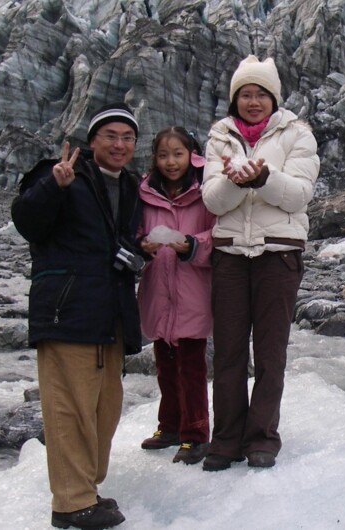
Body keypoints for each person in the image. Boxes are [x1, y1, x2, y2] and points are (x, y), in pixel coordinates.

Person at [11, 103, 143, 529]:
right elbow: (27, 221)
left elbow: (121, 243)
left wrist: (138, 255)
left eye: (127, 137)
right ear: (93, 140)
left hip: (110, 312)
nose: (119, 144)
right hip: (67, 310)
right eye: (111, 136)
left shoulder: (131, 186)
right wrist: (54, 185)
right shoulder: (61, 173)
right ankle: (70, 503)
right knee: (69, 408)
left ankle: (86, 488)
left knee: (104, 409)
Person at [200, 55, 320, 471]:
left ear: (273, 98)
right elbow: (212, 200)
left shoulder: (297, 134)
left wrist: (262, 178)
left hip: (279, 254)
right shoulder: (220, 136)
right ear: (235, 100)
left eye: (261, 94)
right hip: (230, 254)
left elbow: (300, 195)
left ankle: (262, 437)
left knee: (270, 352)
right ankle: (226, 439)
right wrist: (238, 183)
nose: (253, 101)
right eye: (245, 94)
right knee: (229, 352)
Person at [136, 126, 216, 465]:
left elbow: (218, 234)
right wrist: (143, 246)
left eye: (178, 154)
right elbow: (135, 233)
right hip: (159, 291)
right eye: (164, 155)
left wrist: (193, 245)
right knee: (165, 366)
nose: (171, 162)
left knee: (192, 368)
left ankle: (196, 434)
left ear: (191, 154)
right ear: (154, 158)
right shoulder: (144, 193)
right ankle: (169, 427)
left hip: (192, 292)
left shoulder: (206, 191)